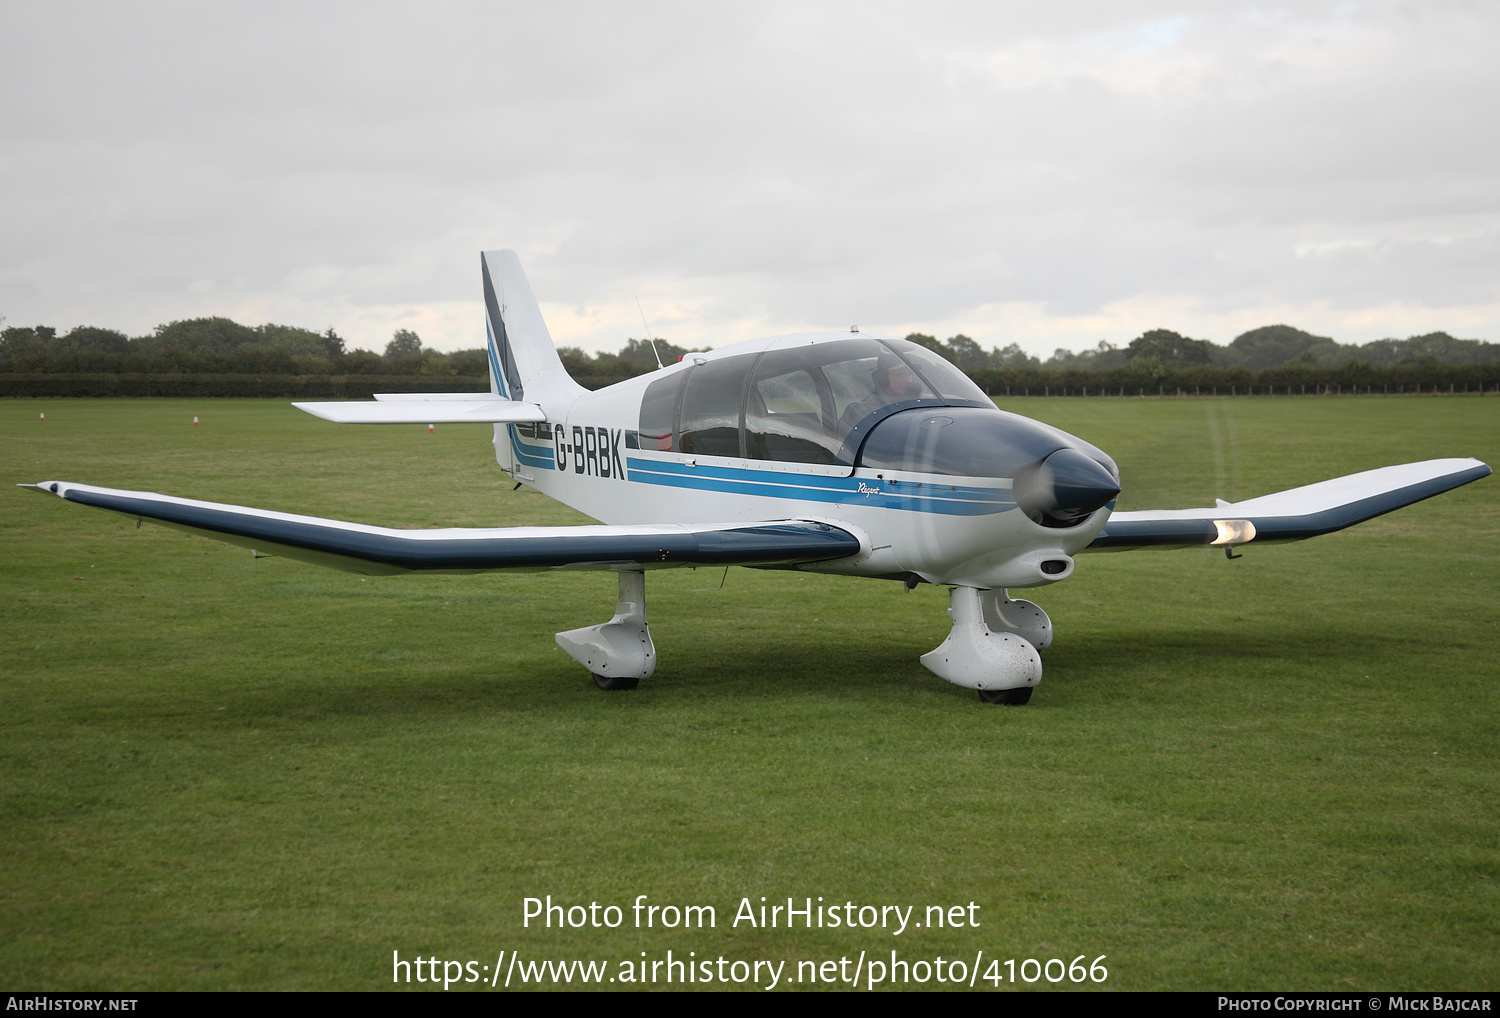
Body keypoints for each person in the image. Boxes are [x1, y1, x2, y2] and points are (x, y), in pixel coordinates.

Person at [838, 354, 926, 432]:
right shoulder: (861, 412)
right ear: (882, 378)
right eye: (900, 374)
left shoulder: (923, 403)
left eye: (909, 374)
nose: (907, 380)